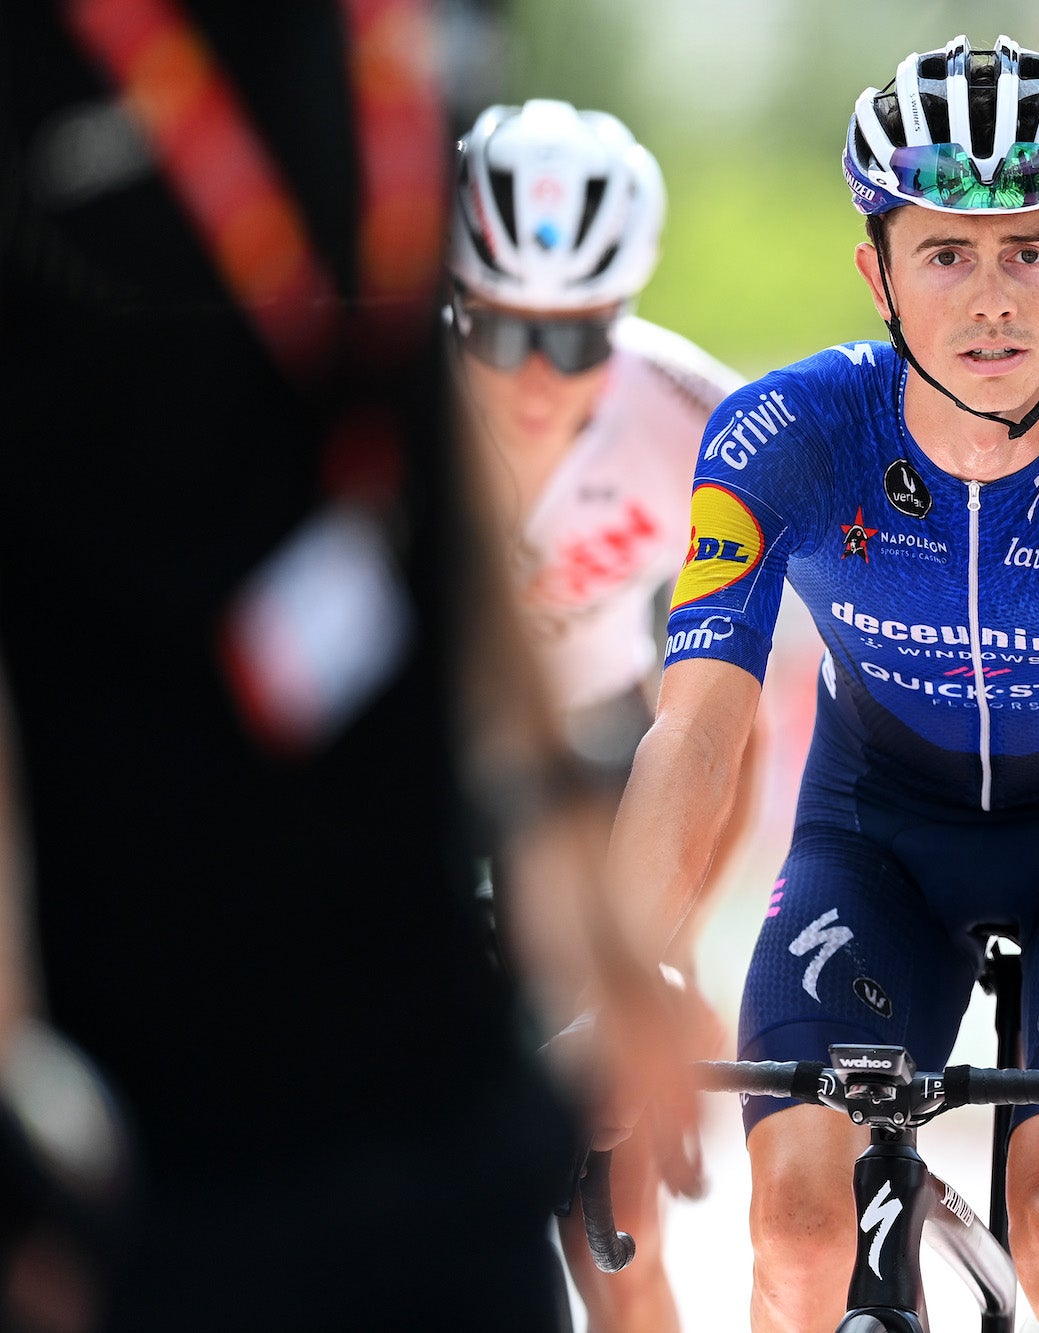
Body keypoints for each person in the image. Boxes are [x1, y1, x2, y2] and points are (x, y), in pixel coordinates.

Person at [0, 5, 690, 1328]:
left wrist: (591, 901)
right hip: (150, 1107)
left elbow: (432, 461)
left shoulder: (411, 39)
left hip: (438, 1056)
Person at [604, 35, 1039, 1332]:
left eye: (1030, 251)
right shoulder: (786, 437)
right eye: (947, 253)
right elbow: (693, 735)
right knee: (794, 1226)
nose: (992, 297)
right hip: (879, 839)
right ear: (879, 275)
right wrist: (621, 975)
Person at [448, 96, 751, 1333]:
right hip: (438, 772)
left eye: (571, 343)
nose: (531, 377)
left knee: (611, 1226)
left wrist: (659, 942)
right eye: (497, 330)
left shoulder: (691, 416)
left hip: (604, 762)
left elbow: (735, 723)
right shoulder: (373, 404)